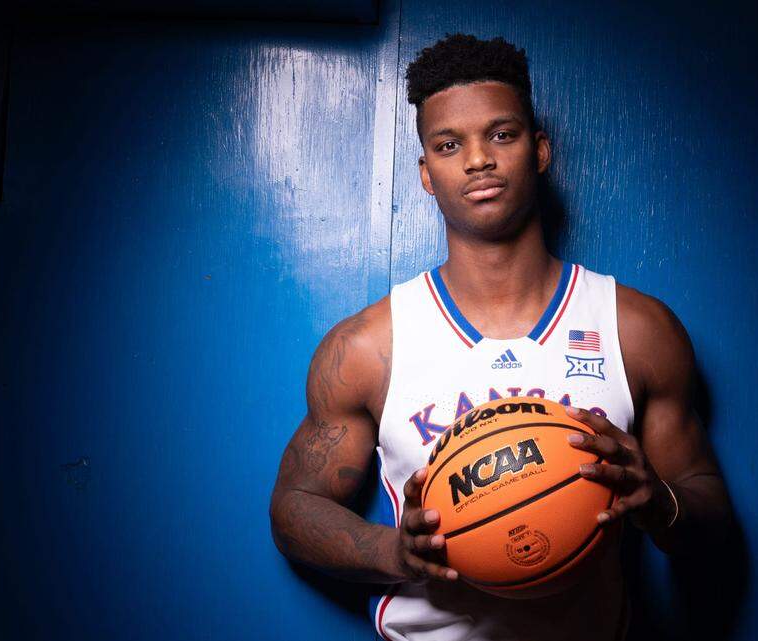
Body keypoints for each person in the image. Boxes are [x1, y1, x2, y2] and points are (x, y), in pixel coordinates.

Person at [270, 33, 732, 641]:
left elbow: (714, 515)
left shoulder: (636, 330)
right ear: (427, 174)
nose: (477, 160)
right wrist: (394, 553)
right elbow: (295, 505)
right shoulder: (367, 348)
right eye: (447, 144)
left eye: (501, 134)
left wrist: (659, 502)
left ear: (539, 150)